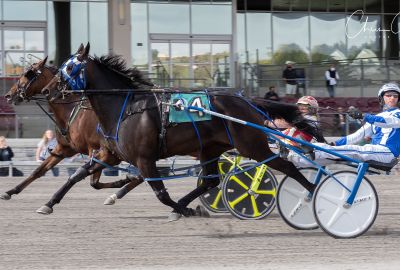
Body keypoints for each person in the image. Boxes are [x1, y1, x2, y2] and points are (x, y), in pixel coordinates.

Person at [288, 83, 400, 167]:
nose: (392, 98)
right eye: (388, 95)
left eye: (395, 96)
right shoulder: (376, 118)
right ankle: (296, 158)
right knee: (330, 151)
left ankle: (311, 151)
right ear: (382, 98)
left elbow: (391, 122)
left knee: (354, 150)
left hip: (387, 152)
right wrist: (334, 143)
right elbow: (356, 136)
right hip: (374, 151)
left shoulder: (396, 114)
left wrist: (363, 116)